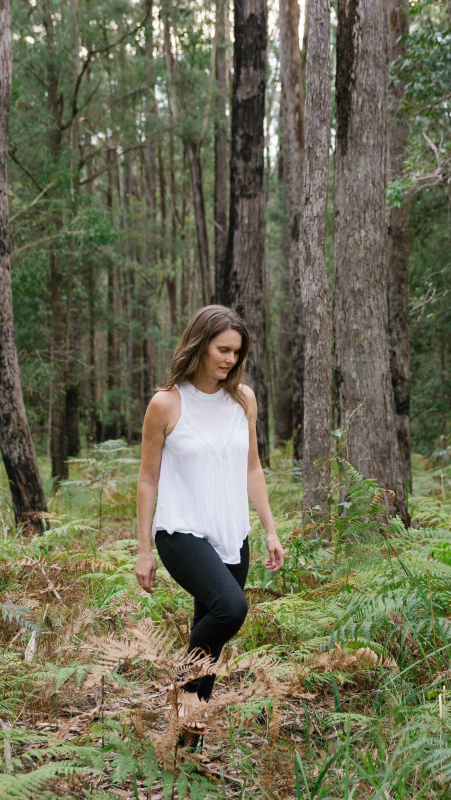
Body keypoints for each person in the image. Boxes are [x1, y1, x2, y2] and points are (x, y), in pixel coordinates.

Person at [135, 304, 285, 748]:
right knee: (230, 608)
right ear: (200, 345)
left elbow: (252, 469)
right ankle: (181, 694)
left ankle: (188, 745)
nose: (230, 360)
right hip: (180, 531)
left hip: (232, 535)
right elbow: (147, 478)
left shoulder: (244, 400)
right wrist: (144, 550)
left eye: (237, 353)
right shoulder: (166, 403)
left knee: (212, 636)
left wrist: (270, 530)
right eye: (223, 350)